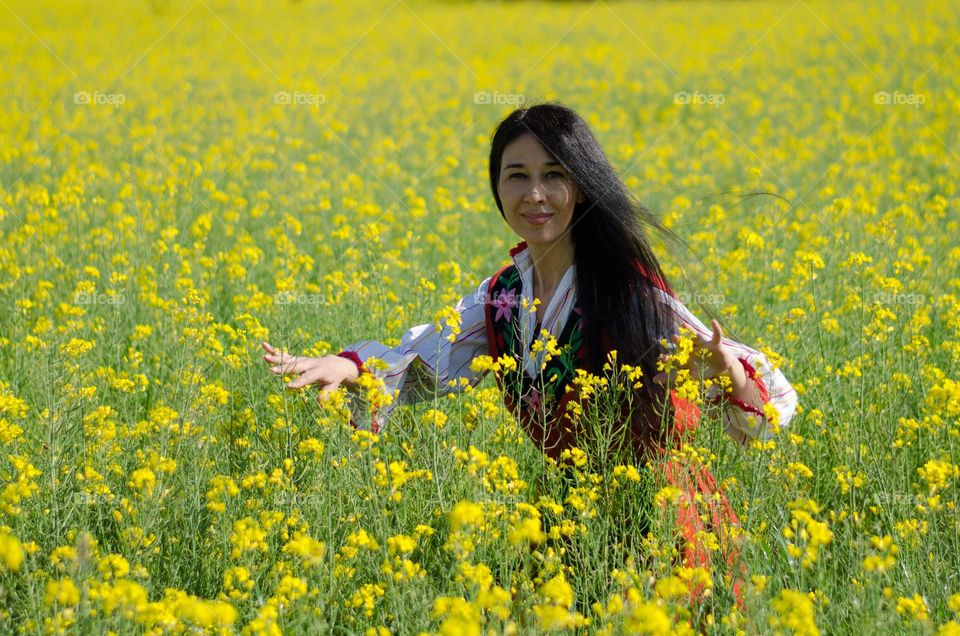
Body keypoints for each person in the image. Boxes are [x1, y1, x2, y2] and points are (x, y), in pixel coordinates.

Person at [261, 102, 798, 609]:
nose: (535, 194)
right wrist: (349, 365)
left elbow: (769, 391)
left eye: (554, 175)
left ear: (582, 188)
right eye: (517, 175)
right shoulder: (501, 296)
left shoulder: (629, 292)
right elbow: (425, 357)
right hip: (570, 519)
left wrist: (726, 370)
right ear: (497, 188)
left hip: (665, 524)